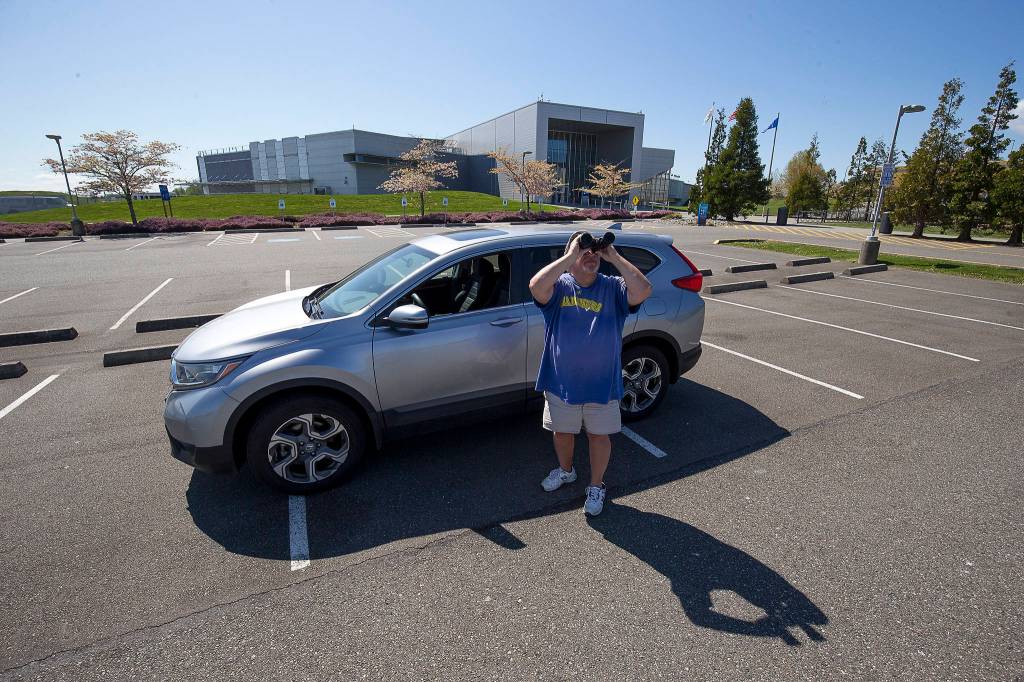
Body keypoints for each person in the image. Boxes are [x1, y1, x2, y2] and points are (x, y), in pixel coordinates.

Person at [529, 230, 653, 516]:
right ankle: (565, 470)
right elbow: (536, 286)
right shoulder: (559, 287)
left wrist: (613, 255)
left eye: (594, 253)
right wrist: (572, 254)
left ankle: (596, 485)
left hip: (601, 384)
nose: (590, 256)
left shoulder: (613, 288)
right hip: (561, 382)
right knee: (562, 432)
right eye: (583, 252)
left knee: (599, 436)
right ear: (570, 256)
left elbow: (643, 290)